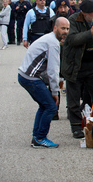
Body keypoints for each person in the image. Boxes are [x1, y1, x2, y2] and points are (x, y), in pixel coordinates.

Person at [61, 0, 93, 139]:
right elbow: (72, 40)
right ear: (83, 13)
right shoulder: (72, 20)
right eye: (92, 12)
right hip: (75, 66)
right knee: (74, 99)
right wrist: (90, 32)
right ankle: (76, 127)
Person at [17, 17, 70, 149]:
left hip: (26, 75)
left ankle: (36, 137)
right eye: (63, 28)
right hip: (30, 77)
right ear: (55, 28)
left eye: (67, 29)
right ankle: (40, 138)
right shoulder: (53, 43)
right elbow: (53, 71)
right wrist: (55, 91)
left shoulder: (49, 39)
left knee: (44, 105)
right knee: (51, 107)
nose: (65, 31)